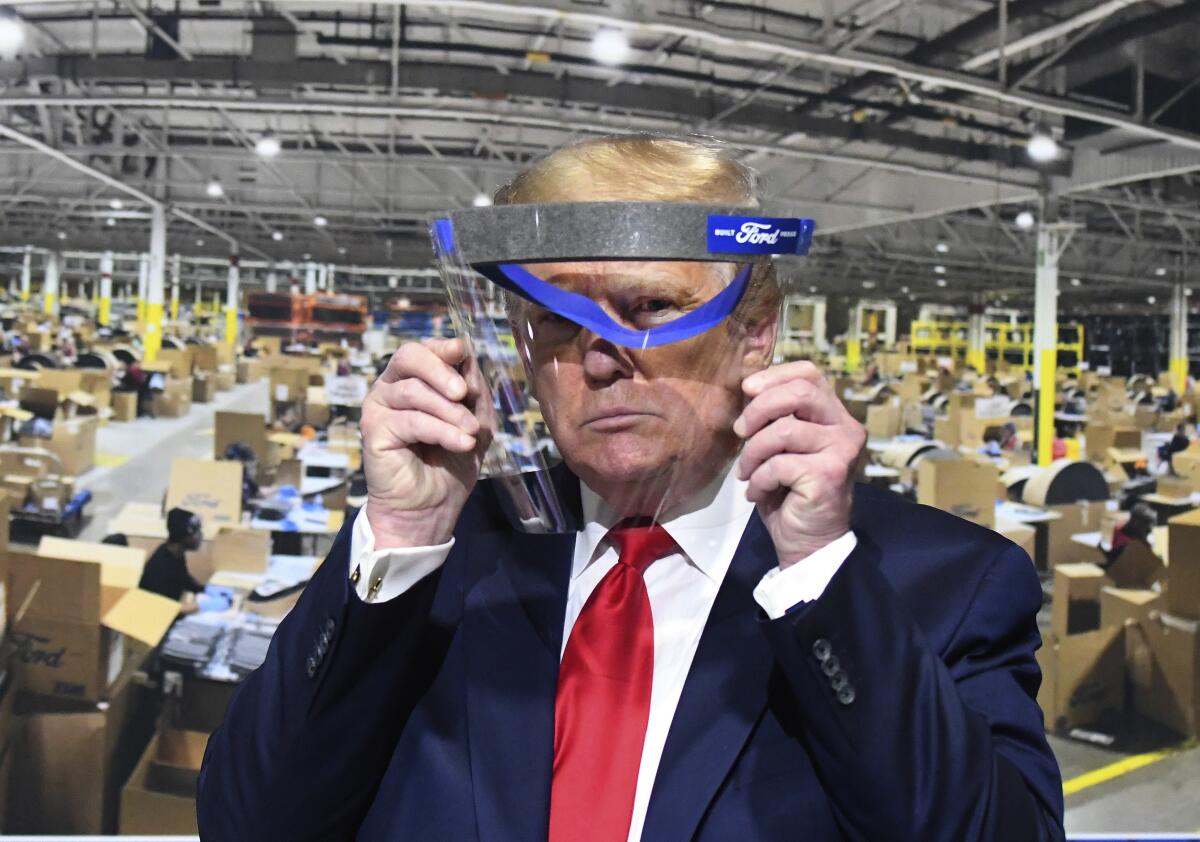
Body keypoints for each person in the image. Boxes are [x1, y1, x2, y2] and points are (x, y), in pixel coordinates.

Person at [198, 136, 1064, 841]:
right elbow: (249, 825)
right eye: (556, 322)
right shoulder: (442, 558)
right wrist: (399, 534)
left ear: (755, 332)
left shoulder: (943, 584)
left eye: (647, 307)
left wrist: (816, 579)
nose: (601, 360)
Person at [138, 507, 204, 611]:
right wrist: (199, 607)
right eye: (196, 532)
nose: (200, 536)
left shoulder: (176, 554)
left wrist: (205, 589)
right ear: (184, 537)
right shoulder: (160, 566)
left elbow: (184, 579)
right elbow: (160, 608)